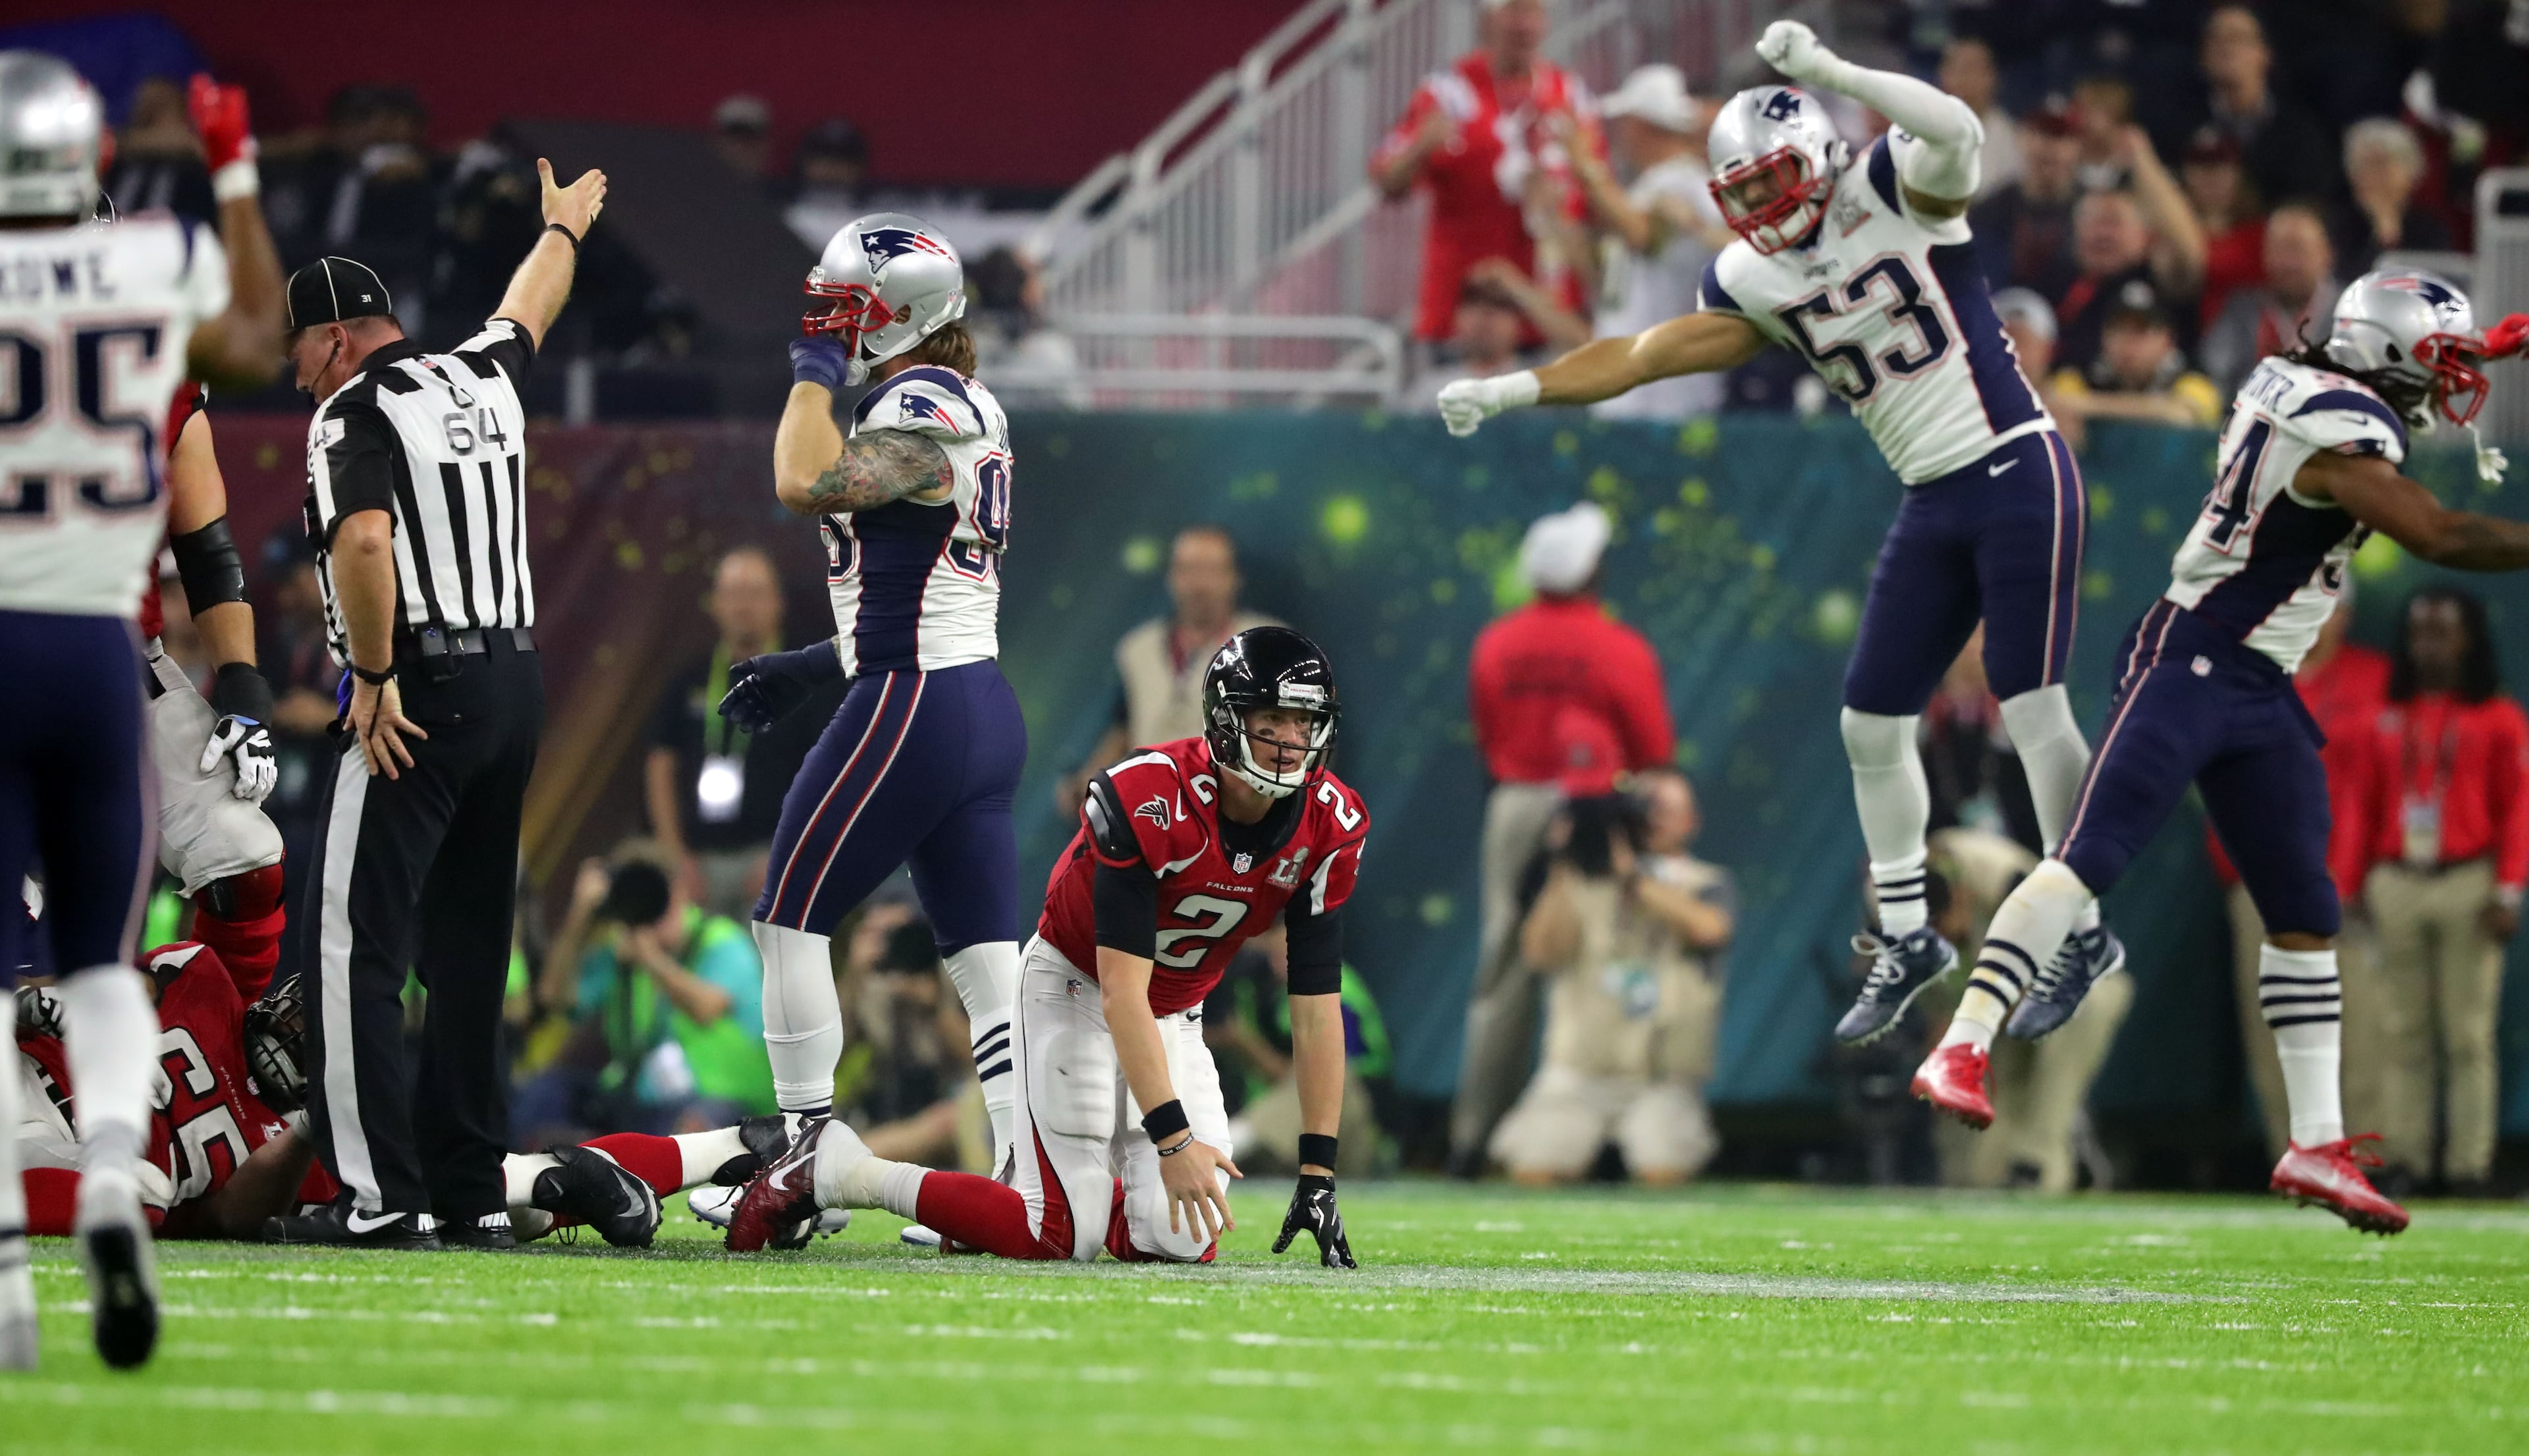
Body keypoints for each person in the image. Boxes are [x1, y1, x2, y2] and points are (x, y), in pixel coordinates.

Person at [1436, 23, 2125, 1062]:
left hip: (2016, 463)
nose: (1761, 211)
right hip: (1931, 491)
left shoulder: (1893, 188)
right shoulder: (1753, 278)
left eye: (1772, 183)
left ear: (1821, 155)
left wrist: (1833, 74)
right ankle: (1906, 934)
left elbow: (1959, 127)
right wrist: (1515, 388)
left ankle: (2079, 921)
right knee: (1868, 721)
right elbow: (1645, 351)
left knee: (2032, 703)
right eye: (1743, 195)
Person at [1909, 267, 2529, 1238]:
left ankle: (2314, 1142)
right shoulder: (2343, 435)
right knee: (2089, 857)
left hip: (2257, 684)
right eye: (2440, 364)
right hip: (2191, 659)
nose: (2450, 385)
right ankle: (1964, 1043)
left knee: (2304, 907)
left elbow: (2371, 370)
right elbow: (2438, 531)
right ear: (2386, 354)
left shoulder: (2297, 376)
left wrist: (2480, 342)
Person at [722, 628, 1370, 1270]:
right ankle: (841, 1171)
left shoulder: (1330, 825)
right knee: (1059, 1235)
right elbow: (1120, 993)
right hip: (1077, 991)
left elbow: (1316, 1012)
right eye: (1273, 719)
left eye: (1304, 721)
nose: (1291, 740)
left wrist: (1318, 1171)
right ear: (1229, 720)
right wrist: (1174, 1143)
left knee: (1176, 1238)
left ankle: (1007, 1207)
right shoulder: (1149, 796)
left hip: (1173, 1011)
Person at [0, 53, 283, 1371]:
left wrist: (230, 690)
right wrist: (231, 172)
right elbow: (249, 343)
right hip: (98, 653)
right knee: (107, 966)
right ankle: (118, 1170)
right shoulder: (139, 271)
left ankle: (16, 1271)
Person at [267, 157, 607, 1251]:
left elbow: (365, 538)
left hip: (420, 685)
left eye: (299, 358)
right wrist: (561, 231)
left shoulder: (349, 414)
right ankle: (465, 1187)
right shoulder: (482, 376)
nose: (299, 382)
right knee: (469, 947)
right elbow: (526, 310)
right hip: (514, 682)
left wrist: (371, 678)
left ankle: (381, 1196)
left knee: (350, 942)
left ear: (332, 339)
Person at [717, 214, 1027, 1191]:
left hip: (918, 702)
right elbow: (914, 578)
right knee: (986, 966)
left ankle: (801, 1160)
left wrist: (812, 370)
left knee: (788, 919)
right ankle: (1036, 1180)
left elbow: (802, 480)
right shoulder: (956, 400)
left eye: (841, 307)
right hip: (969, 699)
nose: (826, 323)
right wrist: (813, 663)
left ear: (895, 316)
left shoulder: (925, 405)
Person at [13, 942, 798, 1251]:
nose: (297, 1026)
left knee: (500, 1187)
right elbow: (95, 980)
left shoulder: (303, 1151)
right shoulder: (204, 983)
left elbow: (230, 1216)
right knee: (512, 1187)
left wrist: (311, 1123)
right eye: (303, 1010)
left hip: (87, 1167)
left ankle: (737, 1148)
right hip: (36, 1085)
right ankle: (742, 1150)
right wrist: (44, 1000)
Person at [1450, 502, 1673, 1172]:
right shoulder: (1617, 644)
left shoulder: (1496, 642)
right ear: (1591, 571)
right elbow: (1653, 744)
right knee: (1602, 960)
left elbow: (1488, 733)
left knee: (1503, 970)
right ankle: (1604, 1137)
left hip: (1515, 804)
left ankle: (1475, 1138)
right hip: (1602, 806)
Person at [2355, 589, 2528, 1196]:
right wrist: (2355, 884)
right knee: (2402, 1031)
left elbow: (2519, 810)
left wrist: (2509, 890)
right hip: (2398, 878)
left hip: (2468, 880)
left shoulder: (2499, 716)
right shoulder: (2387, 714)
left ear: (2470, 640)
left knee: (2466, 1033)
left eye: (2443, 632)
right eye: (2420, 632)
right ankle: (2406, 1157)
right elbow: (2363, 807)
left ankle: (2468, 1165)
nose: (2428, 645)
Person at [2214, 592, 2386, 1160]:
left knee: (2359, 1022)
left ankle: (2362, 1155)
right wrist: (2235, 867)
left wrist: (2363, 871)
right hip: (2261, 882)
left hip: (2348, 882)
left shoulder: (2375, 678)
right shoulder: (2246, 676)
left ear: (2346, 615)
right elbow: (2218, 776)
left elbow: (2385, 782)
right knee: (2273, 1025)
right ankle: (2292, 1155)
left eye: (2329, 604)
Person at [1490, 782, 1731, 1185]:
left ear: (1692, 822)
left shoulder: (1703, 882)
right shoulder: (1575, 883)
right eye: (1646, 809)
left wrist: (1633, 878)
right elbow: (1540, 953)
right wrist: (1564, 862)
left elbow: (1710, 930)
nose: (1654, 819)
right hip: (1579, 1070)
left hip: (1659, 1072)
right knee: (1536, 1168)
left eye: (1666, 810)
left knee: (1664, 1169)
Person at [1369, 0, 1596, 348]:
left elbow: (1599, 195)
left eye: (1533, 13)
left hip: (1547, 316)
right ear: (1488, 20)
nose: (1524, 26)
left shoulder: (1569, 94)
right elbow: (1386, 180)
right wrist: (1419, 148)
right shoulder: (1448, 92)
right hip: (1465, 319)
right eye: (1514, 13)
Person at [1921, 826, 2131, 1193]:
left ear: (1961, 895)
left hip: (2064, 983)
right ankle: (1998, 1169)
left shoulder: (1993, 870)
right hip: (1989, 1011)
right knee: (1976, 1170)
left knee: (2088, 1008)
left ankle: (2037, 1160)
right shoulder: (1887, 901)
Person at [520, 846, 778, 1140]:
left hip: (720, 1100)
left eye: (658, 894)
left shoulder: (721, 941)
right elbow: (552, 997)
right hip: (640, 1100)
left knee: (689, 1127)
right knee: (546, 1092)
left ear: (680, 891)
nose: (652, 909)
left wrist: (650, 957)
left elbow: (706, 1008)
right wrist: (579, 916)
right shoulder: (622, 952)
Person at [643, 547, 844, 920]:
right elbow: (661, 763)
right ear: (715, 604)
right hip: (695, 862)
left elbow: (831, 774)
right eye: (732, 594)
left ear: (778, 603)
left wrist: (786, 855)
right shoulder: (689, 680)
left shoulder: (806, 682)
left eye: (754, 593)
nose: (743, 606)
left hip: (771, 860)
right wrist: (674, 856)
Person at [1057, 525, 1280, 812]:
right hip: (1150, 812)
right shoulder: (1137, 648)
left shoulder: (1270, 645)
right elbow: (1123, 727)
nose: (1199, 585)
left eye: (1211, 570)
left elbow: (1299, 734)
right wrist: (1090, 783)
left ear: (1234, 578)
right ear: (1171, 578)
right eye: (1188, 570)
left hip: (1233, 814)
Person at [1569, 64, 1731, 421]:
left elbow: (1640, 236)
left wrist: (1585, 167)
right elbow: (1615, 281)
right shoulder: (1651, 185)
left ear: (1640, 125)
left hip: (1666, 394)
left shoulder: (1684, 183)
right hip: (1637, 387)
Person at [1207, 921, 1390, 1181]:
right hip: (1283, 1148)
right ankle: (1227, 1144)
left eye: (1284, 950)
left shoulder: (1333, 990)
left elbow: (1327, 1073)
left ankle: (1229, 1144)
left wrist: (1244, 1043)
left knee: (1328, 1077)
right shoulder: (1264, 995)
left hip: (1355, 1122)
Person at [2161, 5, 2335, 211]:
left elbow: (2310, 206)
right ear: (2203, 57)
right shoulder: (2179, 128)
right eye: (2215, 39)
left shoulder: (2300, 134)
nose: (2225, 47)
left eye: (2237, 38)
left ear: (2265, 54)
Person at [2053, 173, 2207, 375]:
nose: (2103, 234)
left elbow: (2190, 254)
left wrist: (2139, 156)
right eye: (2092, 222)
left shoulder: (2164, 281)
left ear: (2145, 234)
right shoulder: (2058, 287)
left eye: (2113, 222)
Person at [2201, 203, 2341, 402]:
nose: (2289, 263)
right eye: (2281, 250)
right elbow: (2216, 374)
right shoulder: (2242, 310)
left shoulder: (2348, 312)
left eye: (2299, 249)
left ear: (2327, 254)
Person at [2047, 279, 2225, 432]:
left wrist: (2090, 407)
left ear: (2167, 340)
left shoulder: (2194, 378)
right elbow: (2056, 404)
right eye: (2119, 329)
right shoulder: (2082, 374)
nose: (2128, 342)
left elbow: (2182, 416)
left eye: (2141, 331)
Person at [1969, 98, 2081, 304]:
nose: (2048, 147)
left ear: (2077, 148)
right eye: (2038, 134)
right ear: (2020, 140)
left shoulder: (2091, 209)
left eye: (2059, 137)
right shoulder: (1989, 210)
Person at [1401, 272, 1564, 413]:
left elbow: (1584, 348)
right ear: (1456, 318)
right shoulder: (1432, 391)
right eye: (1473, 303)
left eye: (1499, 304)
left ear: (1520, 323)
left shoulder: (1539, 388)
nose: (1485, 314)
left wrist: (1517, 287)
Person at [2331, 119, 2453, 279]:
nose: (2374, 177)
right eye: (2364, 166)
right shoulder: (2336, 225)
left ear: (2410, 173)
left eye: (2382, 164)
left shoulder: (2431, 229)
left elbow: (2436, 284)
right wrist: (2383, 232)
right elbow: (2345, 283)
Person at [2179, 128, 2265, 330]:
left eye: (2219, 166)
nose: (2210, 176)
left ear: (2238, 173)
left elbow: (2203, 263)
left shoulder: (2259, 234)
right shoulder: (2165, 234)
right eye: (2200, 166)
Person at [1937, 36, 2019, 200]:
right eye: (1959, 70)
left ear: (1991, 78)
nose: (1965, 80)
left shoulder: (2009, 135)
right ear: (1943, 75)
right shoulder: (1925, 124)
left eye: (1973, 70)